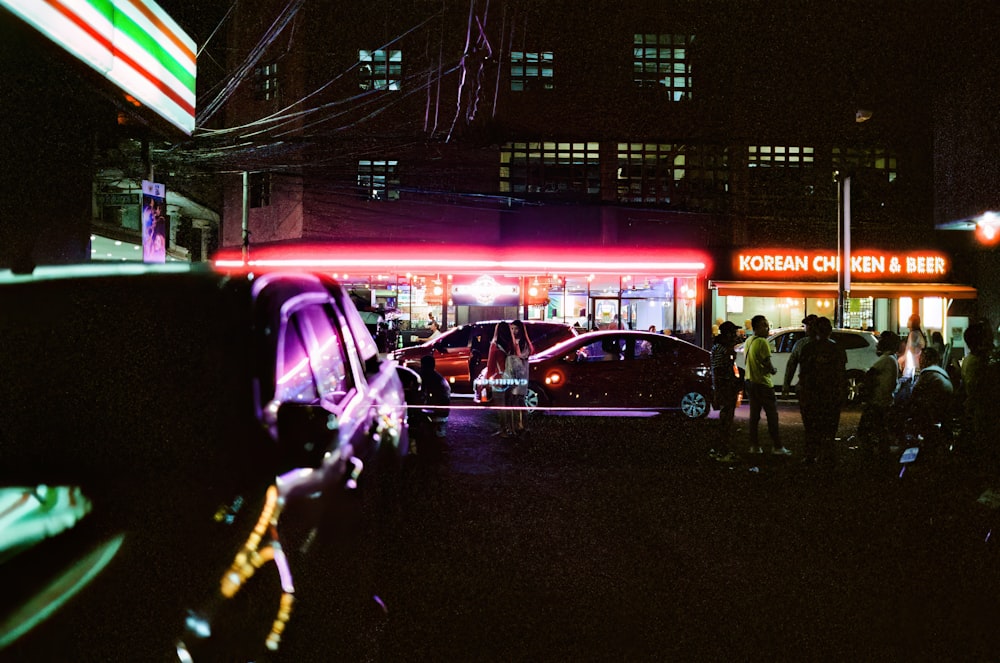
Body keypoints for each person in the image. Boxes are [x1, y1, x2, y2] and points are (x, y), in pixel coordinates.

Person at [797, 317, 848, 465]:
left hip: (812, 394)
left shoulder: (808, 349)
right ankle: (828, 455)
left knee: (811, 428)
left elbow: (804, 373)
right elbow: (841, 373)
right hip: (830, 394)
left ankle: (811, 455)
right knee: (829, 428)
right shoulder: (837, 349)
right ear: (830, 331)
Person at [744, 315, 790, 456]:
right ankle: (777, 446)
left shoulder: (749, 341)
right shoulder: (762, 343)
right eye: (765, 325)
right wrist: (773, 370)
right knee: (772, 416)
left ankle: (754, 446)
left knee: (754, 416)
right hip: (763, 384)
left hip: (750, 383)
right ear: (757, 327)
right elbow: (767, 364)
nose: (768, 328)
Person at [855, 331, 901, 457]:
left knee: (866, 430)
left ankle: (871, 456)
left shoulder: (886, 360)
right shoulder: (892, 359)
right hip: (884, 400)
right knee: (880, 430)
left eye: (880, 341)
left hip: (878, 401)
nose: (877, 344)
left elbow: (870, 374)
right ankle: (881, 454)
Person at [903, 346, 955, 449]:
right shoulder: (940, 371)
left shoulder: (928, 373)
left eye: (921, 358)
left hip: (934, 410)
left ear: (925, 359)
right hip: (946, 408)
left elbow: (914, 393)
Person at [710, 321, 742, 463]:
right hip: (725, 388)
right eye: (734, 333)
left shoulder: (724, 347)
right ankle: (722, 451)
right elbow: (718, 371)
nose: (736, 336)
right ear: (727, 334)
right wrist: (719, 390)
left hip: (727, 387)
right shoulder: (721, 348)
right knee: (725, 421)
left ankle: (720, 450)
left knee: (726, 420)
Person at [504, 319, 534, 435]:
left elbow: (521, 357)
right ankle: (516, 426)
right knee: (513, 400)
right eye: (512, 328)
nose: (514, 331)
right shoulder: (510, 342)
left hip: (521, 374)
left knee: (519, 399)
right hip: (512, 374)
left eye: (516, 328)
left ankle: (522, 425)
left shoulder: (523, 343)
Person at [782, 314, 818, 399]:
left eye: (805, 326)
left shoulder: (801, 344)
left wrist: (786, 386)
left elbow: (791, 366)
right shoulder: (831, 344)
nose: (805, 329)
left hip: (806, 386)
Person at [418, 354, 451, 445]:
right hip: (441, 412)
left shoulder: (429, 377)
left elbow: (423, 395)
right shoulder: (438, 377)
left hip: (435, 412)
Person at [487, 321, 512, 436]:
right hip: (510, 378)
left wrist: (487, 380)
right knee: (509, 405)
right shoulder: (511, 345)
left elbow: (491, 365)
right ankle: (511, 429)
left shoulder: (495, 345)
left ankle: (503, 430)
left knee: (501, 406)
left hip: (498, 378)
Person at [902, 313, 926, 379]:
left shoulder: (913, 334)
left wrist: (901, 359)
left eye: (909, 320)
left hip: (912, 365)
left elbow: (910, 350)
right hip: (916, 365)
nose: (907, 322)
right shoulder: (918, 333)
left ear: (913, 322)